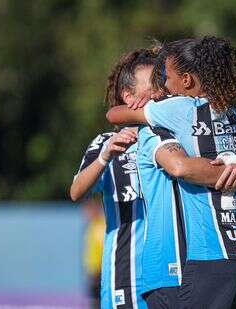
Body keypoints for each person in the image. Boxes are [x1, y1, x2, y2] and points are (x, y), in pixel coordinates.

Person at [106, 36, 236, 309]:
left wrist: (145, 104)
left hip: (215, 252)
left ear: (186, 80)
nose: (162, 86)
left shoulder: (179, 110)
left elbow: (180, 166)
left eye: (165, 78)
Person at [70, 47, 158, 309]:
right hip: (127, 275)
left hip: (176, 274)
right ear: (128, 95)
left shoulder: (175, 143)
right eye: (152, 84)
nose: (159, 91)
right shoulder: (107, 143)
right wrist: (104, 158)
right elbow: (77, 191)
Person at [82, 198, 106, 308]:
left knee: (98, 303)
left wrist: (99, 269)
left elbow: (102, 250)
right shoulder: (92, 226)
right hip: (94, 274)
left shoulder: (101, 226)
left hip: (99, 274)